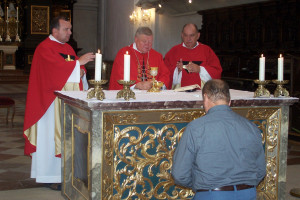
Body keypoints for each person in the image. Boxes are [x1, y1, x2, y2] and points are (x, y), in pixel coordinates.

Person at [23, 16, 95, 189]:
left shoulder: (69, 48)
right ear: (54, 31)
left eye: (70, 29)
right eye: (66, 29)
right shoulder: (44, 48)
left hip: (67, 102)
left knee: (68, 137)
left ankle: (66, 175)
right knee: (51, 139)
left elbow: (75, 68)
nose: (70, 32)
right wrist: (78, 64)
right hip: (49, 104)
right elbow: (54, 72)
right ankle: (49, 176)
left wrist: (81, 70)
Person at [172, 79, 266, 200]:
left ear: (205, 98)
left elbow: (180, 174)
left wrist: (202, 186)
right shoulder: (251, 127)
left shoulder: (196, 127)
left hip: (212, 194)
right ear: (229, 101)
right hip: (248, 193)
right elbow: (260, 170)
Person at [164, 23, 222, 89]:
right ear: (182, 35)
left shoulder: (207, 51)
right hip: (179, 94)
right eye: (186, 35)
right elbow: (164, 73)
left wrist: (200, 69)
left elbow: (217, 72)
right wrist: (177, 71)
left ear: (198, 35)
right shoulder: (173, 51)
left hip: (202, 94)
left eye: (192, 35)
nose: (188, 39)